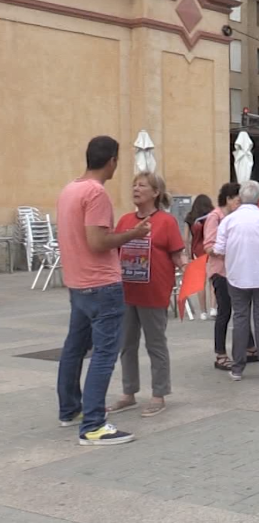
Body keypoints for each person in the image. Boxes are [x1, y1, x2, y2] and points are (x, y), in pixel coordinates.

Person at [56, 136, 149, 445]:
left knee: (74, 348)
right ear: (112, 160)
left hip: (78, 283)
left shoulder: (70, 190)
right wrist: (132, 234)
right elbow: (97, 242)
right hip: (101, 284)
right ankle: (94, 424)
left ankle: (70, 409)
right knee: (105, 353)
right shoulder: (96, 194)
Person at [109, 171, 187, 418]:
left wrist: (189, 267)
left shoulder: (166, 221)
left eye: (142, 185)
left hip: (154, 293)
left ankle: (158, 394)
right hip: (126, 293)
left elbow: (177, 255)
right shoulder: (124, 221)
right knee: (126, 345)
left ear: (155, 193)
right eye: (134, 185)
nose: (136, 189)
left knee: (155, 345)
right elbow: (114, 251)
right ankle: (128, 392)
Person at [214, 181, 259, 381]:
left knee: (240, 319)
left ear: (240, 197)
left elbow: (218, 249)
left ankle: (237, 368)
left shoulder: (229, 221)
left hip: (237, 275)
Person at [204, 183, 246, 370]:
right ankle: (220, 353)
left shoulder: (235, 217)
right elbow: (209, 246)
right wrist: (230, 250)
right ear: (228, 199)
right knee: (225, 311)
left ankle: (251, 347)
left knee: (242, 309)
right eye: (238, 199)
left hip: (236, 270)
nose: (240, 203)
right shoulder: (215, 217)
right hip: (220, 271)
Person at [184, 194, 215, 320]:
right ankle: (213, 308)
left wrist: (188, 254)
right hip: (211, 251)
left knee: (200, 283)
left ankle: (203, 312)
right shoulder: (212, 216)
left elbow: (186, 239)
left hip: (197, 252)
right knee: (212, 281)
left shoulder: (190, 217)